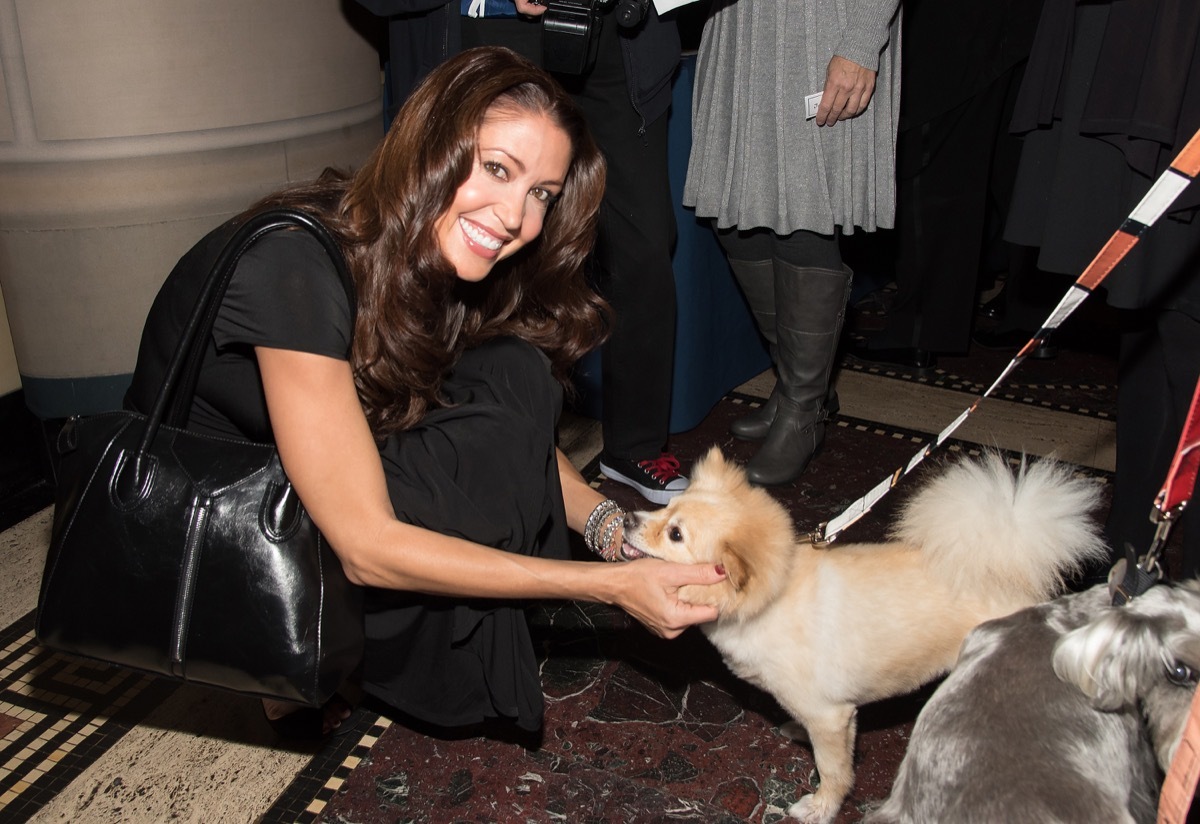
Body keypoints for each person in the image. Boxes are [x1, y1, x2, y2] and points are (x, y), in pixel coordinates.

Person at [123, 48, 724, 739]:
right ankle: (302, 660)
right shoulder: (291, 266)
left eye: (541, 195)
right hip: (217, 521)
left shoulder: (422, 247)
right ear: (432, 145)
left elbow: (524, 439)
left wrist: (618, 535)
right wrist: (606, 588)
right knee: (451, 485)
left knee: (515, 372)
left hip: (320, 454)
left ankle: (373, 639)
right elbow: (368, 545)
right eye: (497, 169)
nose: (515, 218)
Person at [355, 0, 690, 506]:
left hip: (615, 41)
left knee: (636, 246)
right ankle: (443, 431)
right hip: (486, 30)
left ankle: (630, 445)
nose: (515, 213)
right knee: (468, 242)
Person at [1002, 0, 1200, 581]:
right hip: (1137, 44)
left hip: (1173, 55)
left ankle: (1174, 585)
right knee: (1151, 311)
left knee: (1180, 318)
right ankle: (1130, 548)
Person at [682, 0, 901, 486]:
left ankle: (803, 410)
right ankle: (801, 385)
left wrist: (862, 36)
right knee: (735, 220)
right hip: (739, 26)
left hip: (819, 26)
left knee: (805, 216)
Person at [849, 0, 1043, 370]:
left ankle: (921, 332)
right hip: (1019, 21)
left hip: (955, 23)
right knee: (1014, 167)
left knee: (933, 167)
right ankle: (1031, 318)